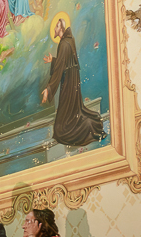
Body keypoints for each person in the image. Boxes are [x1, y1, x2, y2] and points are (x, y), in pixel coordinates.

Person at [42, 13, 104, 147]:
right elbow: (65, 61)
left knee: (61, 130)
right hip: (72, 78)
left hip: (69, 82)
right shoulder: (69, 40)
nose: (54, 29)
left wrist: (49, 89)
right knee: (73, 110)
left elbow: (60, 68)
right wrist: (53, 60)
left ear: (61, 29)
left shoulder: (64, 44)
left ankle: (87, 127)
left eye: (56, 27)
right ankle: (87, 125)